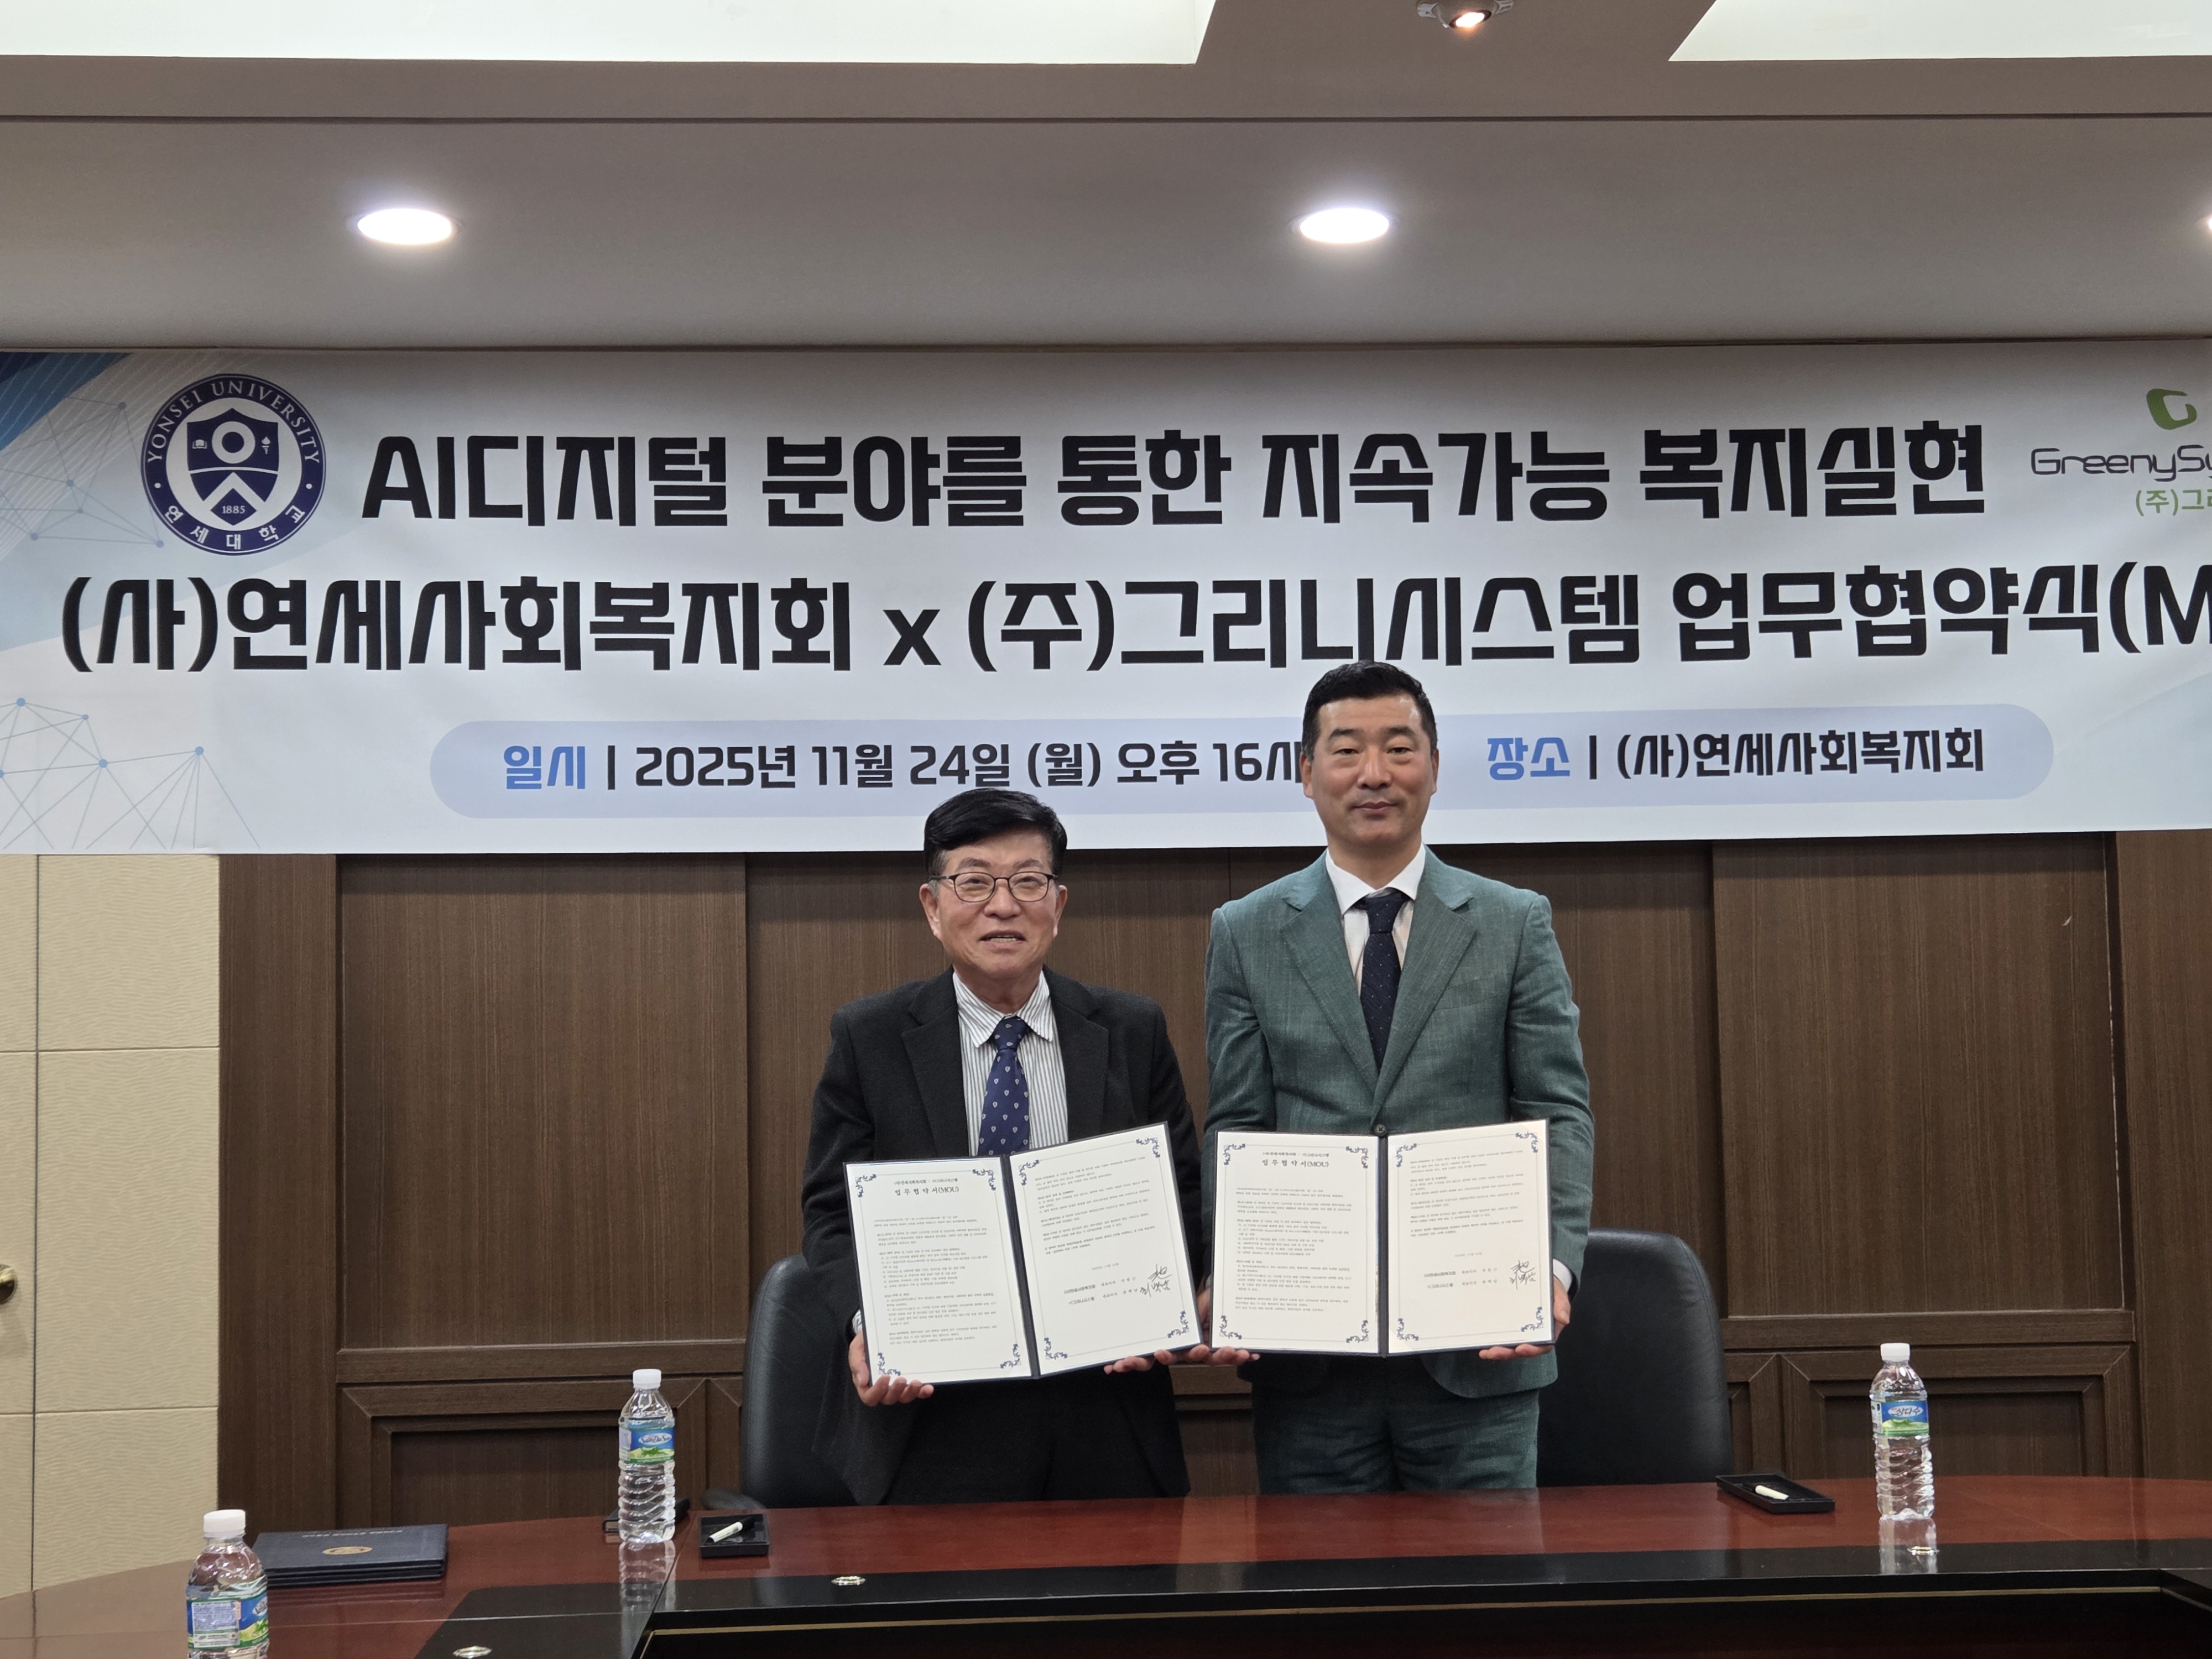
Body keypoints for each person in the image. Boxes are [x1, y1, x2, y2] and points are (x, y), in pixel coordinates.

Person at [1201, 660, 1594, 1493]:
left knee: (1487, 1576)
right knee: (1319, 1579)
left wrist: (1553, 1269)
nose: (1374, 773)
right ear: (1306, 773)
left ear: (1436, 767)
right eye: (1346, 750)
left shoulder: (1513, 921)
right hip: (1309, 1364)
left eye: (1399, 748)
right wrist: (1232, 1278)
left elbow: (1556, 1107)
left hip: (1480, 1353)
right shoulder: (1245, 930)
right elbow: (1237, 1125)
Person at [800, 787, 1205, 1504]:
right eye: (975, 882)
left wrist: (1172, 1299)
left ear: (1059, 903)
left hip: (1106, 1409)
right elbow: (832, 1215)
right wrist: (874, 1323)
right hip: (933, 1414)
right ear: (932, 906)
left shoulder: (1131, 1030)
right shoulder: (870, 1038)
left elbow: (1183, 1195)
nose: (1003, 906)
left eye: (1028, 881)